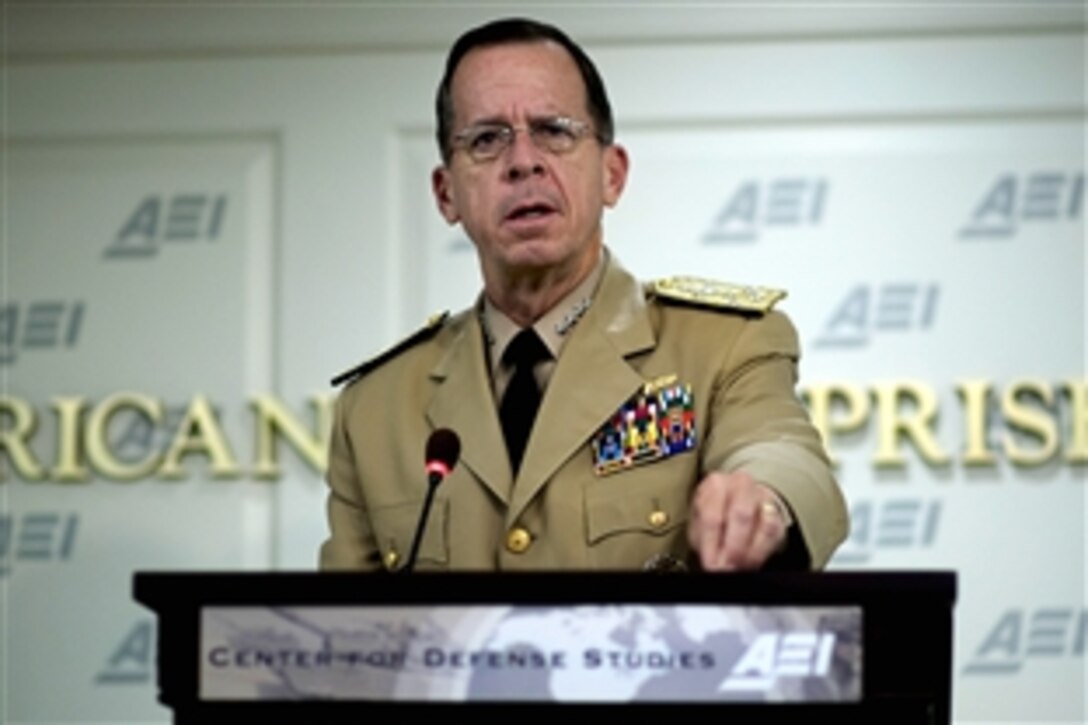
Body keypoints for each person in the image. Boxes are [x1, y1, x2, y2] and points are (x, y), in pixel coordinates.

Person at [319, 17, 848, 573]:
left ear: (612, 174)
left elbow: (784, 454)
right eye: (486, 139)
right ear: (446, 193)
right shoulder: (373, 409)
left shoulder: (725, 344)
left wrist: (761, 497)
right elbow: (343, 637)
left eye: (555, 130)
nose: (523, 161)